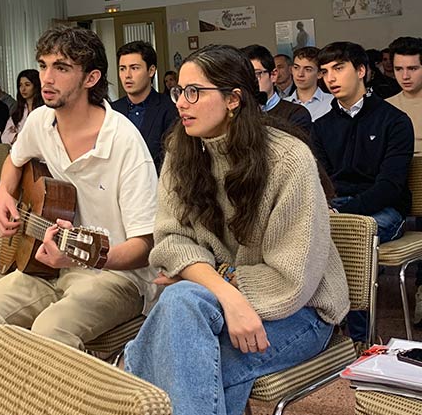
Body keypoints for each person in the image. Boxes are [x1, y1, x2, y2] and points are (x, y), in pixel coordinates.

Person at [125, 44, 349, 415]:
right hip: (215, 304)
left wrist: (205, 277)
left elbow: (290, 279)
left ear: (233, 99)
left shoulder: (287, 159)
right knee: (183, 320)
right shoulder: (182, 152)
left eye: (195, 92)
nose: (181, 102)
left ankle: (134, 368)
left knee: (175, 359)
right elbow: (171, 239)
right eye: (179, 91)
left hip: (299, 313)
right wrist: (227, 295)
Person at [0, 26, 159, 415]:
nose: (46, 79)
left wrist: (84, 258)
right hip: (45, 266)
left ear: (91, 78)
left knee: (50, 330)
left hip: (116, 277)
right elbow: (13, 162)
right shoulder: (39, 122)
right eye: (43, 65)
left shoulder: (125, 143)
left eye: (61, 68)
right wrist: (4, 196)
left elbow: (144, 248)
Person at [312, 41, 413, 343]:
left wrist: (342, 212)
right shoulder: (321, 127)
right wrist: (333, 208)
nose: (330, 78)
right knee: (305, 232)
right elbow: (324, 182)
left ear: (361, 71)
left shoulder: (393, 121)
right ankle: (319, 331)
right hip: (338, 207)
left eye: (338, 69)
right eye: (325, 71)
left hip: (385, 209)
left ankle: (360, 338)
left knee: (346, 234)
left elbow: (390, 186)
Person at [383, 36, 422, 326]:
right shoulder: (387, 110)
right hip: (398, 190)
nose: (405, 76)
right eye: (399, 69)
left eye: (413, 68)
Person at [111, 40, 178, 172]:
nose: (127, 75)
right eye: (122, 69)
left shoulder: (170, 108)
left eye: (134, 68)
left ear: (151, 70)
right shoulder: (112, 111)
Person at [241, 45, 312, 134]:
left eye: (256, 74)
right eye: (245, 75)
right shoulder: (237, 114)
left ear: (273, 75)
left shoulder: (295, 114)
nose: (250, 81)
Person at [287, 47, 334, 121]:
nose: (300, 74)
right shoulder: (283, 104)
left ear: (320, 74)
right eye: (296, 67)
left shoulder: (332, 103)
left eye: (308, 69)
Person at [1, 69, 43, 145]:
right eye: (20, 85)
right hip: (20, 151)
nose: (23, 89)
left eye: (27, 85)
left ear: (36, 86)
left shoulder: (45, 109)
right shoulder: (18, 110)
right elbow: (4, 136)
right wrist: (17, 137)